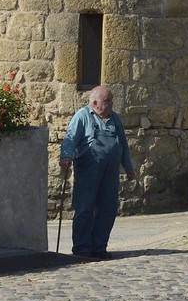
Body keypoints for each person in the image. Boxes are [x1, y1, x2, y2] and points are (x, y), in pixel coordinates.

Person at [59, 85, 137, 259]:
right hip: (88, 169)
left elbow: (123, 144)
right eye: (107, 101)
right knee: (85, 208)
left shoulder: (115, 119)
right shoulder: (83, 116)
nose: (111, 104)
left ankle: (99, 247)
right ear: (95, 102)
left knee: (108, 209)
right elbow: (71, 137)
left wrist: (129, 167)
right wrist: (66, 156)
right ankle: (81, 248)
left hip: (110, 172)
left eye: (111, 100)